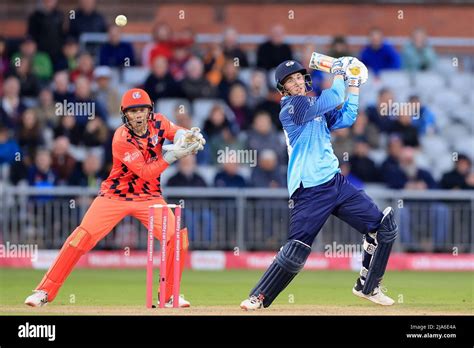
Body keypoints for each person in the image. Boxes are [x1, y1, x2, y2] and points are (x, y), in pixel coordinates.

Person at [240, 57, 398, 310]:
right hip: (309, 189)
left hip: (335, 183)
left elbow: (346, 117)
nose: (297, 83)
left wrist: (354, 83)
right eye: (290, 81)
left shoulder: (315, 106)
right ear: (284, 89)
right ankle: (258, 296)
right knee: (296, 252)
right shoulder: (291, 108)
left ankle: (368, 286)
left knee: (383, 229)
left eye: (299, 77)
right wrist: (338, 72)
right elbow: (334, 97)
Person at [24, 88, 205, 308]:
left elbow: (175, 132)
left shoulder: (159, 122)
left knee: (177, 237)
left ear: (149, 111)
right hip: (115, 196)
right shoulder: (121, 138)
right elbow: (146, 172)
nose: (138, 115)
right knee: (80, 238)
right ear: (124, 114)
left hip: (149, 196)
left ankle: (167, 296)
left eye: (142, 110)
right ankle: (44, 291)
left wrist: (187, 137)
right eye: (133, 111)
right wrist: (173, 155)